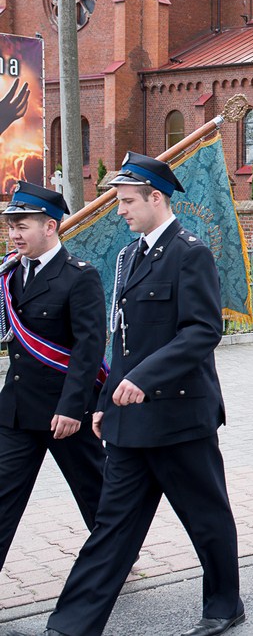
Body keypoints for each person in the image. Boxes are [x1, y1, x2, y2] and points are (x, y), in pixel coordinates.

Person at [47, 153, 245, 636]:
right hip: (129, 418)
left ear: (157, 198)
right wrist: (103, 400)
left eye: (128, 201)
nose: (120, 211)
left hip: (180, 416)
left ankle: (224, 605)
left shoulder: (190, 251)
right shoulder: (128, 256)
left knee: (206, 518)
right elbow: (122, 340)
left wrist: (144, 379)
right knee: (112, 528)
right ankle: (70, 624)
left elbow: (202, 331)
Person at [0, 183, 106, 570]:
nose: (14, 234)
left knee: (95, 494)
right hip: (16, 411)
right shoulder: (9, 275)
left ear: (50, 227)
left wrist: (72, 408)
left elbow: (88, 349)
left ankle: (115, 558)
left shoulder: (80, 277)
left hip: (66, 413)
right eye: (11, 226)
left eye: (22, 225)